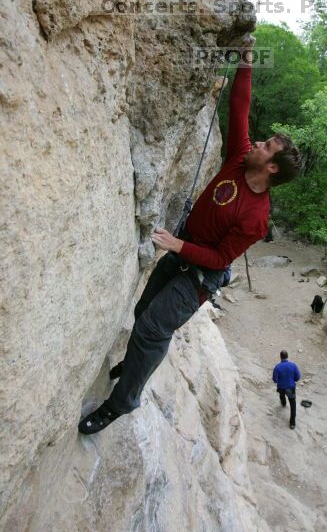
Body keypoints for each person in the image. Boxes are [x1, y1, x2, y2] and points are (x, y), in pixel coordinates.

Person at [79, 37, 302, 434]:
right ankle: (132, 365)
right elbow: (239, 108)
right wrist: (247, 60)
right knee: (141, 313)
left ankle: (121, 403)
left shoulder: (256, 218)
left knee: (152, 328)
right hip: (181, 254)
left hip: (198, 276)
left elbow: (220, 260)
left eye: (266, 146)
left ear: (271, 169)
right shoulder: (238, 159)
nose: (257, 142)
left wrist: (177, 244)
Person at [272, 350, 301, 429]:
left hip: (281, 387)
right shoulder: (293, 365)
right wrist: (292, 380)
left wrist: (280, 381)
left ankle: (284, 403)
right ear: (287, 356)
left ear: (280, 357)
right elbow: (298, 377)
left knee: (281, 395)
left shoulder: (277, 367)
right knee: (293, 405)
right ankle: (292, 423)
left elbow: (274, 380)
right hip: (290, 388)